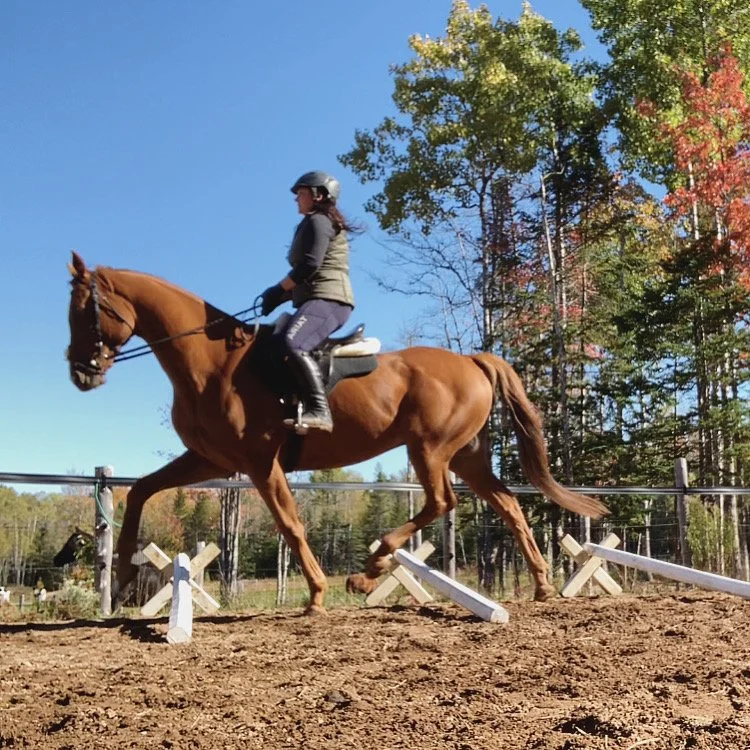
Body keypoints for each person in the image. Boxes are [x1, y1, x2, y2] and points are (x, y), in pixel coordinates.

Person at [259, 170, 356, 432]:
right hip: (315, 297)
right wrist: (280, 297)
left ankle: (320, 411)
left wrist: (278, 289)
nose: (296, 199)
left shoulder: (319, 221)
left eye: (300, 193)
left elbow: (310, 266)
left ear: (318, 195)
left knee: (294, 343)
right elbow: (308, 273)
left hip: (331, 299)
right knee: (276, 340)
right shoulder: (313, 222)